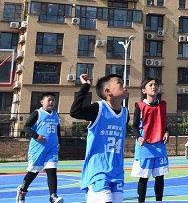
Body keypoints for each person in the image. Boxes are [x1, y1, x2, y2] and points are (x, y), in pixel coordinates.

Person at [71, 73, 129, 203]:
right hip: (98, 171)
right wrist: (85, 87)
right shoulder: (99, 109)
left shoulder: (125, 113)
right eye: (119, 83)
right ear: (108, 91)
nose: (124, 86)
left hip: (117, 172)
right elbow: (75, 112)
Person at [17, 92, 64, 203]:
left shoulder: (56, 115)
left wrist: (59, 141)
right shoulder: (37, 113)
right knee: (34, 171)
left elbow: (57, 129)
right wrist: (36, 136)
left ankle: (53, 196)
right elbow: (26, 127)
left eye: (53, 100)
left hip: (52, 148)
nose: (51, 102)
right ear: (42, 102)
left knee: (52, 170)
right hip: (38, 148)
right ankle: (22, 190)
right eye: (49, 100)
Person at [131, 77, 169, 202]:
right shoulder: (140, 106)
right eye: (151, 85)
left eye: (156, 84)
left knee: (160, 177)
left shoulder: (162, 105)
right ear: (144, 90)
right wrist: (139, 137)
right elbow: (134, 126)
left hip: (159, 144)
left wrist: (167, 132)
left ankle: (159, 201)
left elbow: (164, 124)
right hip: (145, 145)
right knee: (144, 177)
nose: (154, 87)